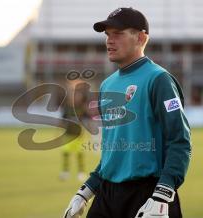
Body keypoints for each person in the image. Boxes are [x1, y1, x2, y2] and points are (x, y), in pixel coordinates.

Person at [63, 7, 191, 218]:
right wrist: (86, 190)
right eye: (107, 35)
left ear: (141, 37)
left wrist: (163, 193)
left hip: (149, 194)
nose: (109, 41)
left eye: (118, 34)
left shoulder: (159, 80)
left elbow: (180, 141)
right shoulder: (106, 85)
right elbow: (113, 152)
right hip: (107, 194)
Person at [59, 79, 91, 181]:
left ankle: (81, 172)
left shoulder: (82, 108)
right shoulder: (67, 108)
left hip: (78, 135)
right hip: (68, 135)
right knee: (66, 153)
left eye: (77, 96)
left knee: (79, 154)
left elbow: (88, 120)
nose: (75, 97)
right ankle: (65, 172)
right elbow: (62, 121)